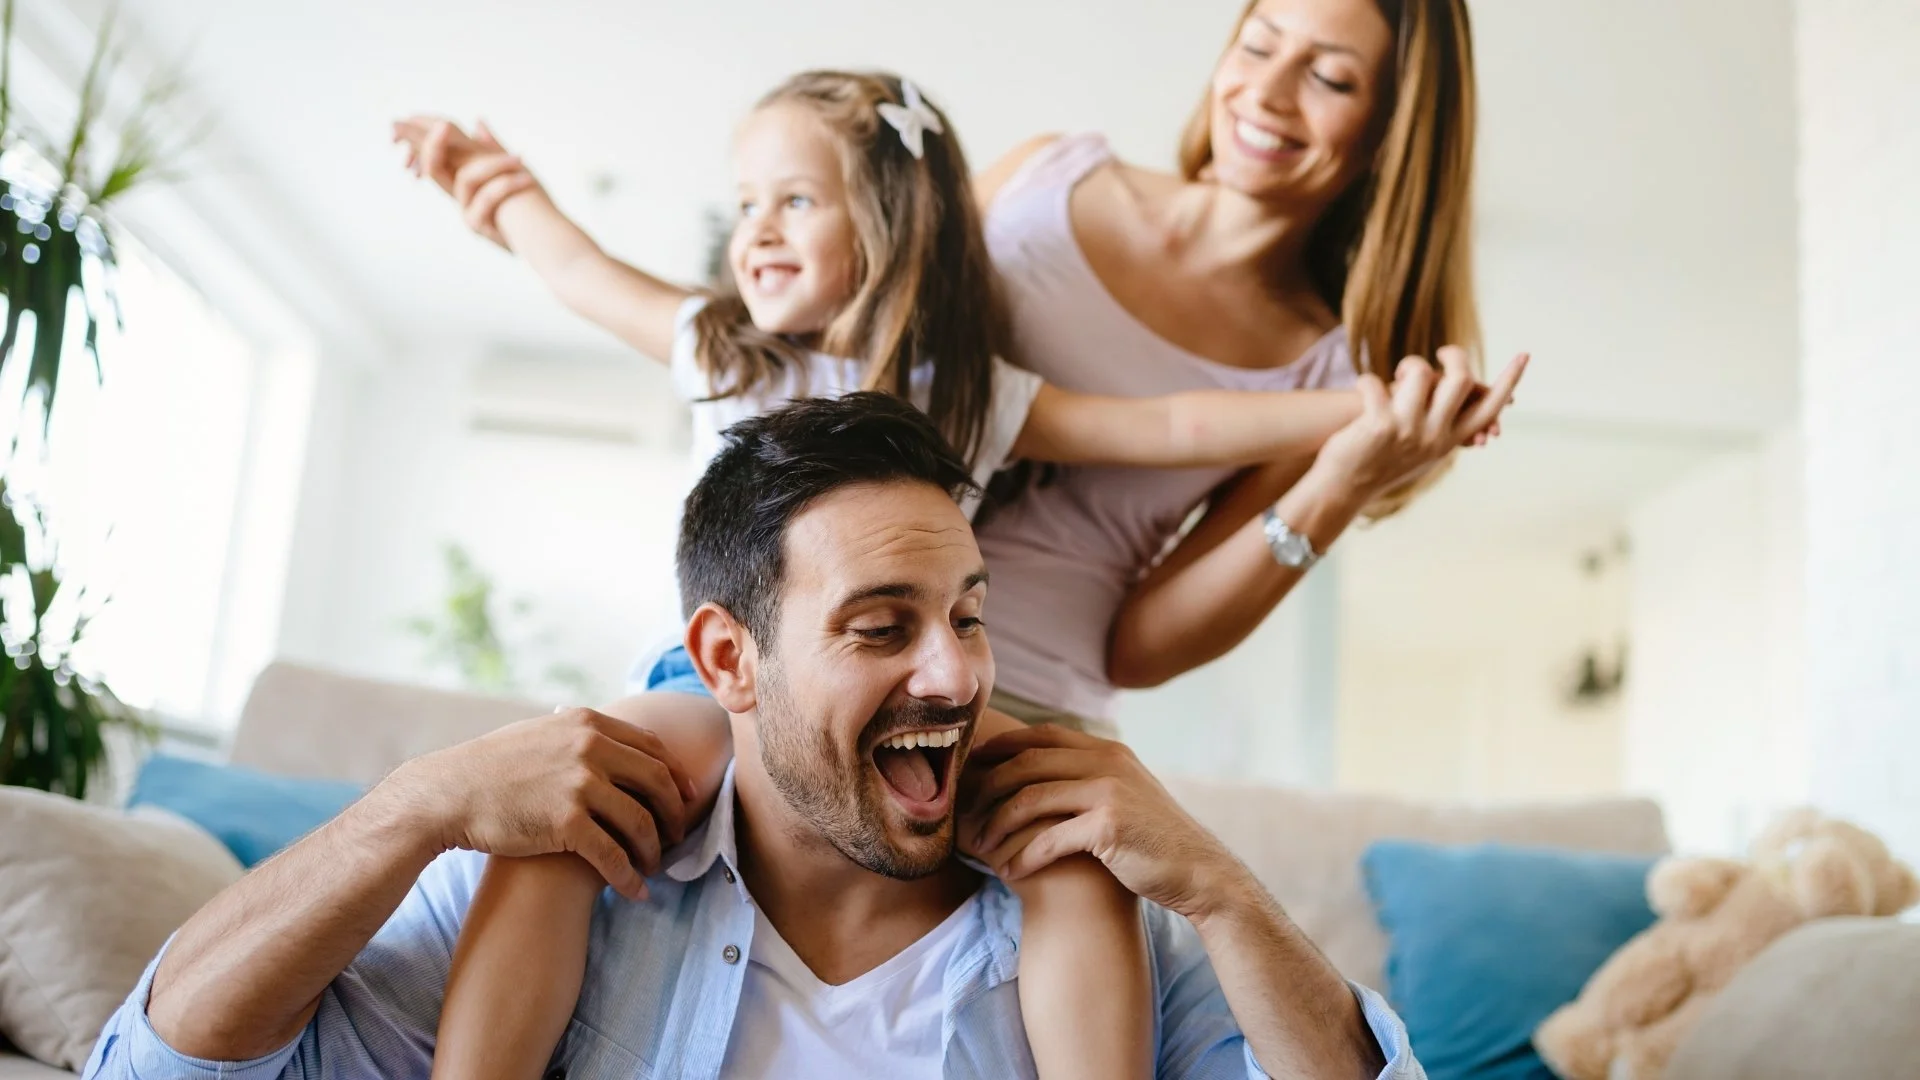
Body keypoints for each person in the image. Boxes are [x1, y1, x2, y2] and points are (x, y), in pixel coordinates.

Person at [391, 67, 1507, 1080]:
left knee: (1077, 861)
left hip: (943, 726)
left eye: (792, 201)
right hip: (715, 699)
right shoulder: (724, 344)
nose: (755, 232)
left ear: (881, 223)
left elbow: (1173, 419)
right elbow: (580, 271)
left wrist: (1377, 410)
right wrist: (500, 191)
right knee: (569, 812)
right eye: (745, 206)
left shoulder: (976, 392)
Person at [86, 394, 1425, 1079]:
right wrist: (411, 807)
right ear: (729, 658)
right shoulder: (577, 851)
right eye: (882, 626)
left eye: (970, 614)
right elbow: (159, 1071)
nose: (957, 673)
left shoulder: (1093, 898)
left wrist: (1226, 892)